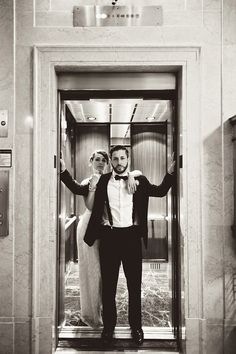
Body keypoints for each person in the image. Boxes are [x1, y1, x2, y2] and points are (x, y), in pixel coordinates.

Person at [83, 145, 175, 346]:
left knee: (134, 287)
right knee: (109, 287)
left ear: (128, 160)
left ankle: (137, 327)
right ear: (111, 161)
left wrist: (171, 172)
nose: (118, 162)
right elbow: (80, 190)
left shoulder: (139, 181)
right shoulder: (103, 181)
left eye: (122, 158)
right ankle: (109, 328)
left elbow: (160, 191)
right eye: (114, 159)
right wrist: (62, 171)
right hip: (109, 238)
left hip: (132, 238)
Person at [60, 150, 141, 328]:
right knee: (91, 273)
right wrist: (63, 171)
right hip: (90, 230)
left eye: (104, 160)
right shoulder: (93, 181)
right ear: (91, 162)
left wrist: (133, 175)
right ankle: (91, 314)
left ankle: (107, 314)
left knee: (106, 277)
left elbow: (134, 174)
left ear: (108, 163)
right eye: (97, 160)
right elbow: (81, 195)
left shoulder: (108, 179)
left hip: (106, 234)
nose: (100, 163)